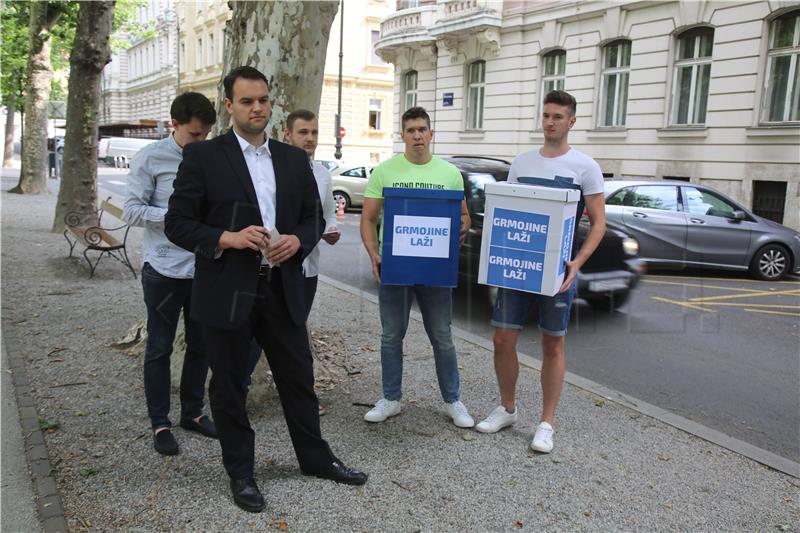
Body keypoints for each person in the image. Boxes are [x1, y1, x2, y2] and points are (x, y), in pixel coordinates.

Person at [165, 66, 367, 514]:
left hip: (283, 287)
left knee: (298, 380)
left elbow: (313, 219)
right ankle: (241, 472)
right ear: (230, 106)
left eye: (263, 100)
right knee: (229, 387)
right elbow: (177, 223)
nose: (257, 108)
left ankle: (315, 459)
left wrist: (299, 239)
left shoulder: (293, 159)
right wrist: (227, 238)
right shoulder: (204, 157)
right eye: (247, 101)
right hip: (227, 289)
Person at [474, 90, 607, 454]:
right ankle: (507, 407)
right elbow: (509, 210)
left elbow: (598, 224)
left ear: (571, 121)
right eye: (546, 115)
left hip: (558, 272)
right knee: (502, 339)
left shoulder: (585, 167)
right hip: (518, 266)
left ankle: (546, 423)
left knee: (553, 342)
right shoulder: (522, 163)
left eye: (558, 117)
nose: (550, 122)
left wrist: (578, 262)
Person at [359, 106, 474, 428]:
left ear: (431, 133)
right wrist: (373, 254)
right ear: (403, 135)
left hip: (435, 269)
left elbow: (463, 215)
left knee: (442, 336)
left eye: (422, 129)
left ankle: (453, 401)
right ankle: (391, 399)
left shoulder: (449, 174)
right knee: (391, 336)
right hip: (395, 267)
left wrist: (462, 227)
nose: (417, 135)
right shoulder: (385, 171)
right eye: (411, 130)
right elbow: (367, 218)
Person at [123, 92, 218, 456]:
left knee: (201, 345)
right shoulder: (151, 158)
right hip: (162, 269)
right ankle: (160, 423)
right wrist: (177, 221)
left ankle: (192, 414)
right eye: (195, 135)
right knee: (160, 347)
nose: (201, 141)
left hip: (203, 268)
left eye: (206, 134)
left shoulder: (211, 158)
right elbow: (130, 211)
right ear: (174, 124)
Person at [243, 109, 340, 383]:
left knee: (294, 331)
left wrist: (330, 230)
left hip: (306, 268)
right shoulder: (269, 169)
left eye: (314, 132)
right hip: (268, 267)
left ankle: (297, 391)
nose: (310, 138)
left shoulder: (322, 174)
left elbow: (325, 215)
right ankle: (240, 386)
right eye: (303, 132)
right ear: (287, 134)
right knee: (254, 336)